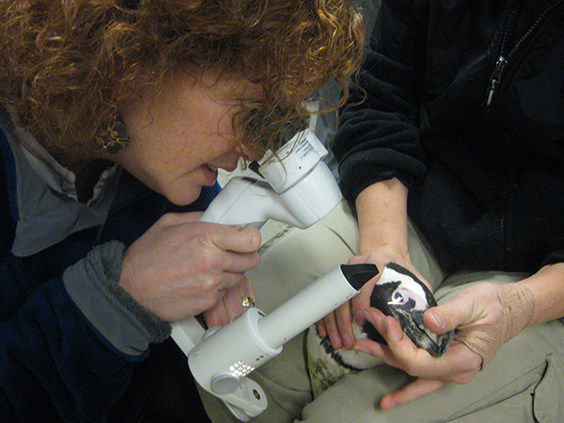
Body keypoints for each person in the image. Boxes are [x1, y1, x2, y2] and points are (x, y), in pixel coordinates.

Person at [200, 0, 564, 422]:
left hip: (544, 283)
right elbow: (381, 92)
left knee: (349, 417)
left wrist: (521, 305)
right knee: (229, 359)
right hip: (406, 197)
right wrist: (383, 248)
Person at [0, 1, 365, 422]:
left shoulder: (155, 167)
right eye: (249, 109)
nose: (252, 150)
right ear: (131, 53)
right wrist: (116, 301)